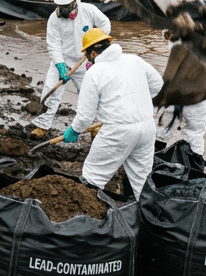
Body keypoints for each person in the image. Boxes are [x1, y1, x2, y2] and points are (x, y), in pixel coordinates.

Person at [60, 28, 164, 199]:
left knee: (93, 176)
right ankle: (145, 219)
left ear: (93, 53)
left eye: (87, 55)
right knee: (141, 180)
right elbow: (158, 84)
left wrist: (74, 130)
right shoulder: (135, 60)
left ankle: (89, 216)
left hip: (118, 132)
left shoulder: (94, 72)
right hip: (146, 127)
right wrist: (136, 103)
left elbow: (86, 115)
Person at [29, 0, 111, 140]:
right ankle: (42, 126)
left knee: (90, 97)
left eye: (66, 6)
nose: (63, 10)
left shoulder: (89, 11)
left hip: (84, 63)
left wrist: (96, 44)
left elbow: (105, 25)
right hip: (62, 61)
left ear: (74, 2)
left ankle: (94, 127)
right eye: (60, 6)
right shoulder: (54, 19)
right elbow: (53, 44)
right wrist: (60, 66)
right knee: (50, 92)